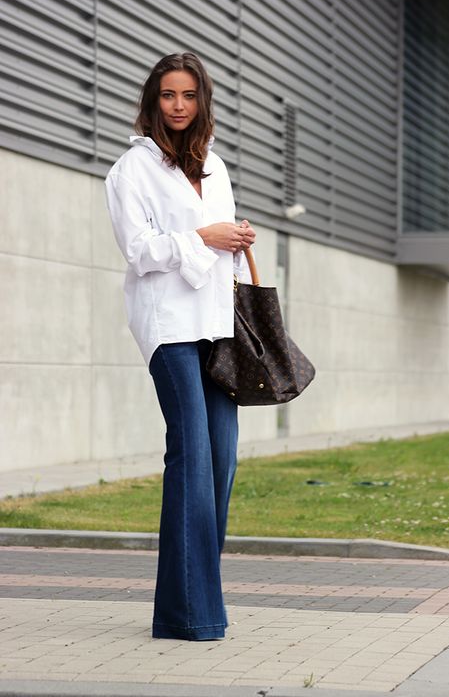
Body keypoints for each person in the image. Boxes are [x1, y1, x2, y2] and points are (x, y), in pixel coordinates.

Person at [104, 52, 256, 641]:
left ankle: (183, 603)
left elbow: (219, 239)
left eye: (189, 96)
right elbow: (139, 250)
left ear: (202, 102)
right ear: (153, 100)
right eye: (168, 95)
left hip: (217, 324)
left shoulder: (215, 166)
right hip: (168, 326)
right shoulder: (130, 170)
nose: (178, 106)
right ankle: (192, 614)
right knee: (191, 456)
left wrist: (234, 236)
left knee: (220, 461)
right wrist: (202, 237)